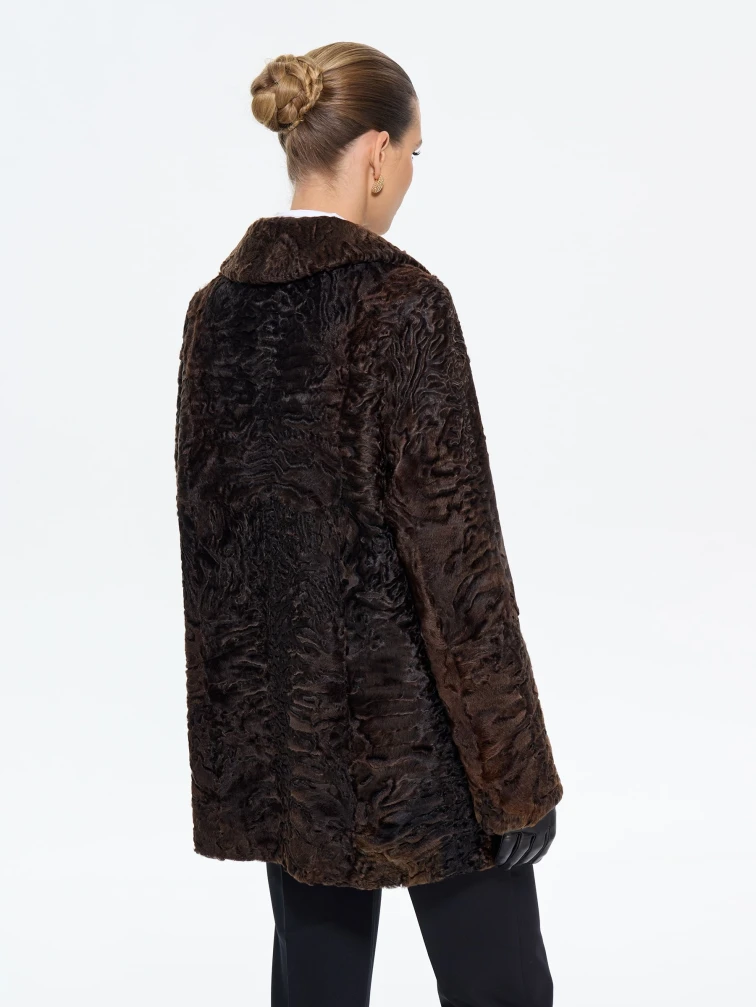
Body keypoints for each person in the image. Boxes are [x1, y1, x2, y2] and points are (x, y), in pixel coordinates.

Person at [175, 41, 563, 1007]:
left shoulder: (214, 312)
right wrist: (515, 777)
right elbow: (459, 564)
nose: (411, 177)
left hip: (292, 746)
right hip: (424, 746)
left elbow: (216, 551)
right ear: (378, 153)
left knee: (316, 989)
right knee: (503, 989)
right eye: (416, 153)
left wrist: (262, 742)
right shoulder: (402, 305)